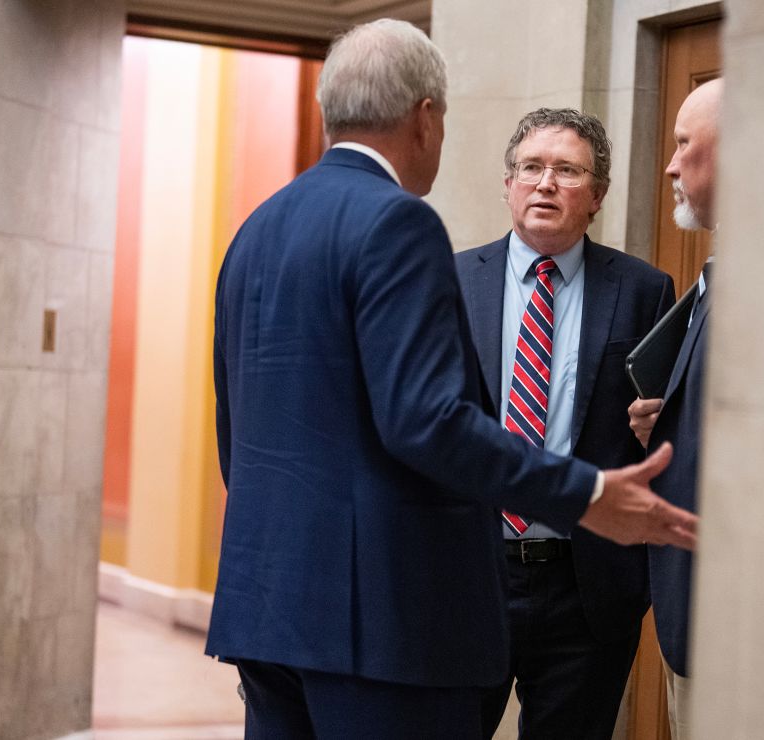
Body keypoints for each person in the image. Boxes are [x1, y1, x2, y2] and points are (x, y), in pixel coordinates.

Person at [206, 19, 698, 739]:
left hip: (267, 606)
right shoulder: (397, 224)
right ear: (425, 117)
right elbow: (426, 421)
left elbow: (235, 425)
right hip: (373, 621)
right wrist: (586, 492)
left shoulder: (258, 226)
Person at [455, 109, 675, 739]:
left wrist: (657, 427)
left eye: (568, 171)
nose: (545, 183)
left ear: (597, 194)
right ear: (507, 185)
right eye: (531, 167)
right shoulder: (449, 281)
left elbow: (666, 431)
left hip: (588, 587)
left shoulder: (643, 290)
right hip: (471, 574)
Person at [628, 78, 723, 740]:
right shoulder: (722, 270)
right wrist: (668, 418)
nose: (668, 164)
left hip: (731, 628)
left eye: (683, 143)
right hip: (690, 613)